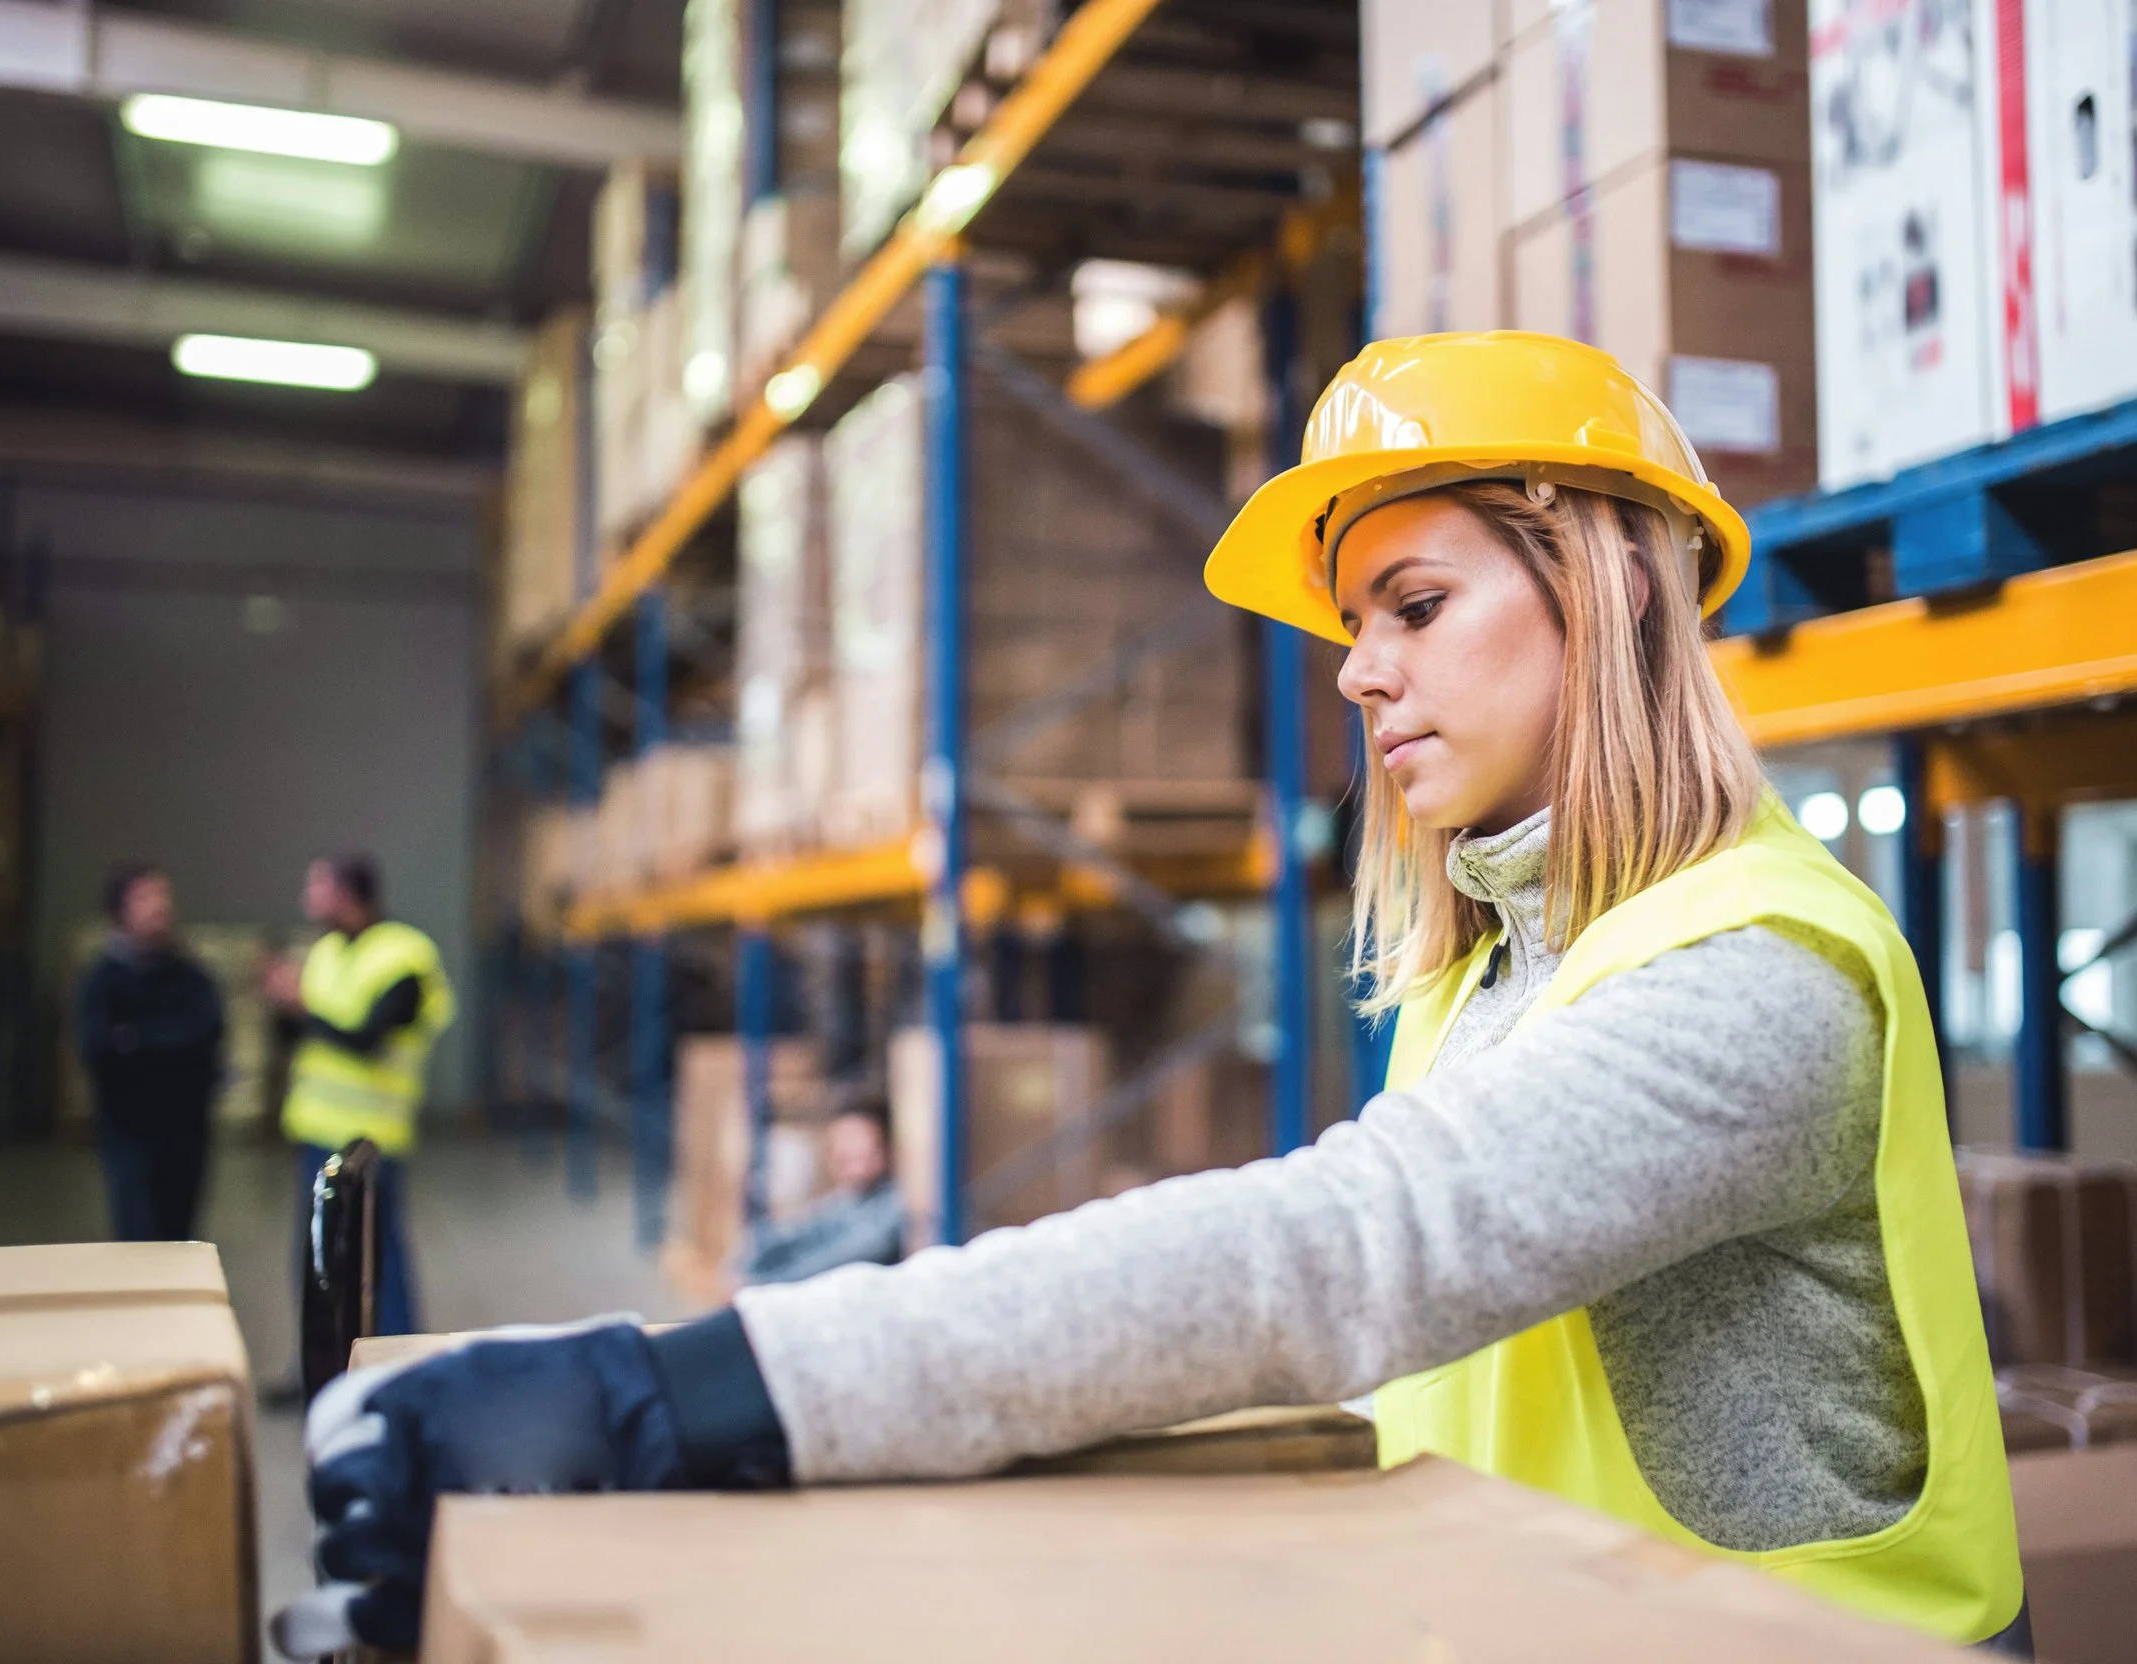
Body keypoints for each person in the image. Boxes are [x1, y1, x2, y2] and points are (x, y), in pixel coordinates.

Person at [278, 335, 2027, 1658]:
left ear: (1611, 586)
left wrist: (697, 1390)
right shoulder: (1494, 971)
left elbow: (1347, 1251)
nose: (1360, 668)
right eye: (1355, 620)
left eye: (1416, 602)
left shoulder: (1756, 978)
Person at [267, 853, 452, 1339]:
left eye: (318, 886)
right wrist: (284, 1007)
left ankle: (394, 1358)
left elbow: (369, 1039)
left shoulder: (404, 957)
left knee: (378, 1256)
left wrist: (302, 1009)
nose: (308, 897)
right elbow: (304, 1033)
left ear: (347, 894)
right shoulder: (325, 951)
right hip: (314, 1130)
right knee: (317, 1257)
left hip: (371, 1139)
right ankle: (321, 1359)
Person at [76, 863, 224, 1242]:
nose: (159, 907)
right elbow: (99, 1050)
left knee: (180, 1237)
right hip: (129, 1131)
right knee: (137, 1236)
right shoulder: (102, 981)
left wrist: (138, 1039)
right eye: (145, 898)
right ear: (119, 911)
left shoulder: (192, 977)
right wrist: (167, 1043)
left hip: (186, 1130)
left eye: (163, 896)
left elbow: (207, 1035)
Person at [738, 1107, 906, 1286]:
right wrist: (745, 1268)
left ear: (887, 1151)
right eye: (845, 1158)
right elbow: (790, 1234)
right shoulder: (845, 1201)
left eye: (865, 1155)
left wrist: (761, 1283)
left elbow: (835, 1260)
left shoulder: (891, 1208)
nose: (857, 1168)